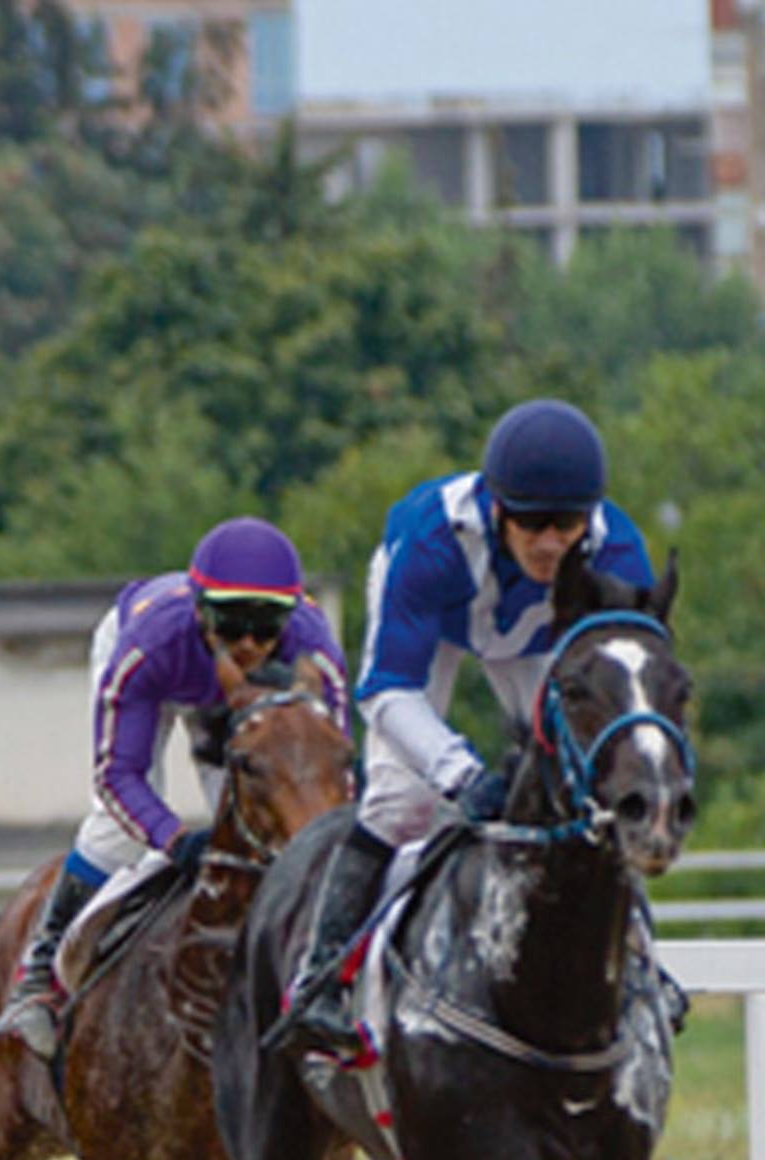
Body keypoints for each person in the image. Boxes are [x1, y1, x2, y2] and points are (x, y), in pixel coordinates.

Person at [272, 399, 659, 1054]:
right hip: (439, 630)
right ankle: (320, 977)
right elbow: (387, 688)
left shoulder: (616, 552)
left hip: (537, 639)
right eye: (532, 523)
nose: (548, 543)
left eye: (565, 524)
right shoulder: (429, 542)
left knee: (588, 793)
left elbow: (623, 683)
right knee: (400, 803)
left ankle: (645, 968)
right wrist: (460, 773)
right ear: (497, 509)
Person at [0, 517, 345, 1059]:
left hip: (254, 708)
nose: (250, 643)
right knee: (120, 833)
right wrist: (175, 840)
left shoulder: (315, 654)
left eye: (267, 624)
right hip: (163, 676)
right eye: (231, 624)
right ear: (201, 610)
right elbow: (118, 776)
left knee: (269, 822)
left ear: (291, 618)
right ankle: (38, 974)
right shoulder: (148, 647)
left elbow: (327, 776)